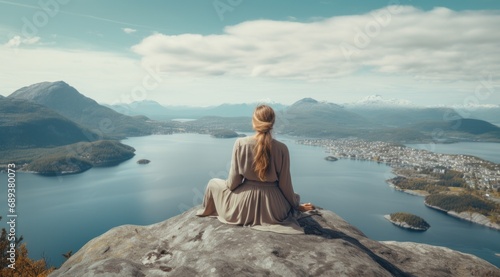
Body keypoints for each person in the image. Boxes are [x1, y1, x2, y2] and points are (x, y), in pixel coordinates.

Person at [196, 104, 314, 234]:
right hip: (274, 211)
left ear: (254, 121)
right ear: (272, 122)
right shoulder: (282, 148)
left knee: (213, 183)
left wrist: (225, 188)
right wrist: (296, 205)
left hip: (243, 208)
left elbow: (233, 183)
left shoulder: (241, 143)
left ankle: (208, 210)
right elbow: (285, 185)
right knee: (294, 195)